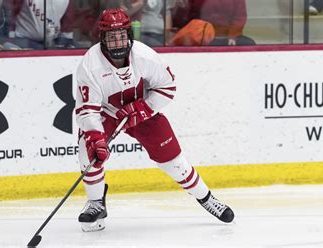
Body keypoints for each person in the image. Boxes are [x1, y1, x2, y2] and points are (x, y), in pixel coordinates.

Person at [74, 8, 234, 232]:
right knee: (88, 149)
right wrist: (95, 137)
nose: (118, 42)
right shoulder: (90, 64)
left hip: (143, 111)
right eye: (111, 37)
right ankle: (96, 202)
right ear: (102, 38)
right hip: (108, 112)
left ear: (129, 35)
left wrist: (143, 108)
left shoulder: (144, 55)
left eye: (121, 35)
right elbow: (87, 110)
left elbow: (167, 87)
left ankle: (206, 198)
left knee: (175, 163)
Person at [172, 0, 255, 46]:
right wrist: (182, 8)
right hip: (199, 37)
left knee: (249, 44)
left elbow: (239, 17)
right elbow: (179, 22)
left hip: (225, 37)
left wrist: (232, 36)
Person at [9, 0, 77, 49]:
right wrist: (10, 37)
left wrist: (66, 41)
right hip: (23, 40)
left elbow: (68, 20)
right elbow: (11, 13)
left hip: (53, 41)